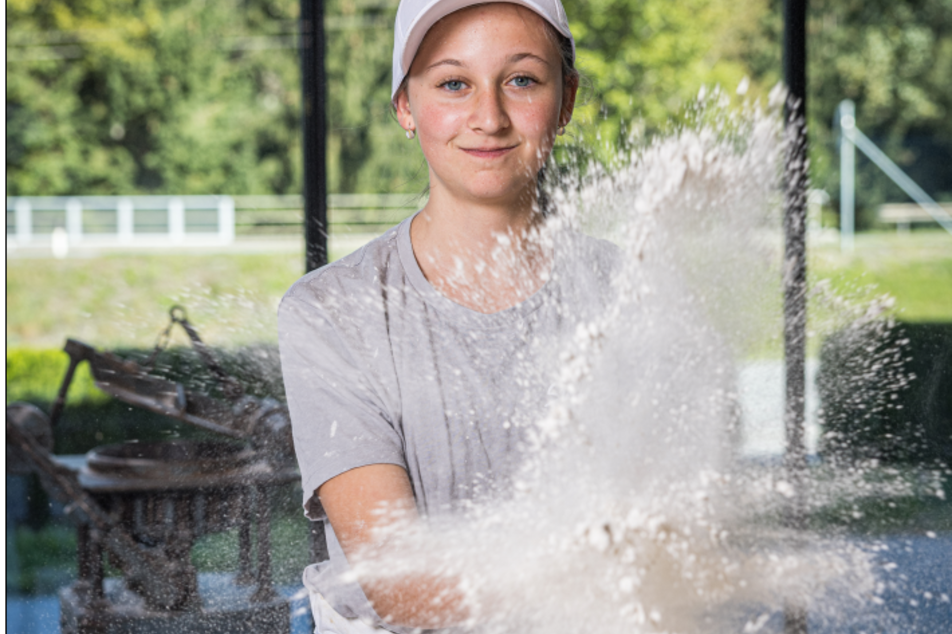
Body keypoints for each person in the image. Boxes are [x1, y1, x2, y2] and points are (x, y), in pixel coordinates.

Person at [278, 0, 619, 631]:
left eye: (521, 80)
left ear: (565, 101)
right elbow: (405, 587)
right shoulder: (332, 311)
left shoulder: (633, 294)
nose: (487, 117)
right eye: (453, 83)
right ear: (406, 107)